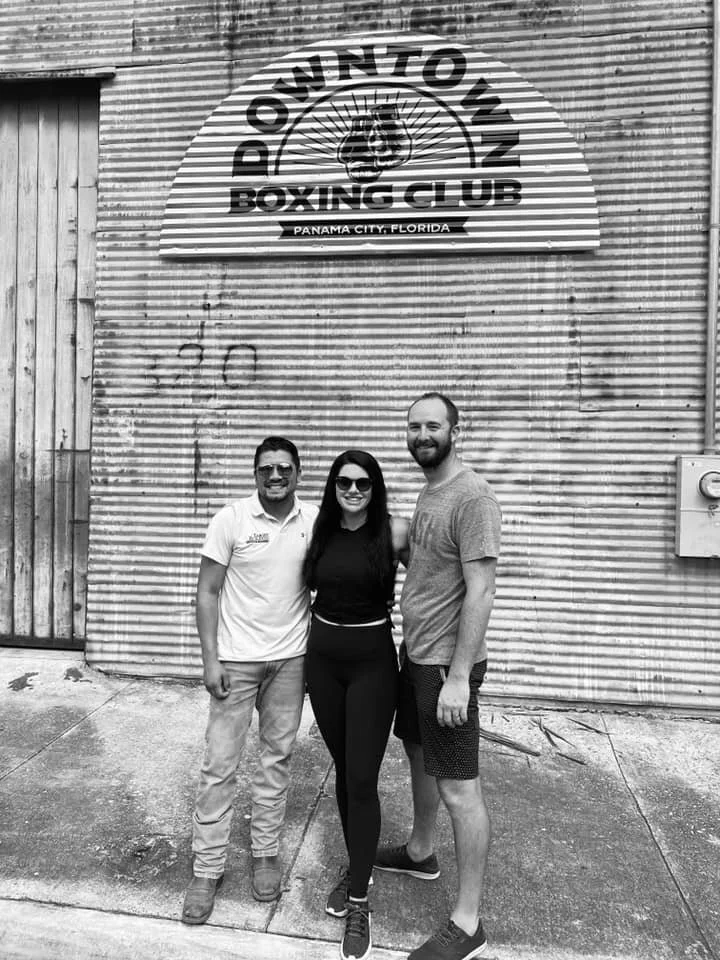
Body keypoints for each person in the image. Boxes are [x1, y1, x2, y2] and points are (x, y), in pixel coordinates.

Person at [374, 393, 501, 960]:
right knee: (418, 756)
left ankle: (468, 922)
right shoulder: (431, 491)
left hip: (446, 666)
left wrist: (457, 677)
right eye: (414, 426)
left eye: (433, 425)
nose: (422, 434)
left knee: (458, 785)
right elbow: (429, 568)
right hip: (416, 655)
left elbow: (481, 588)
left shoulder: (472, 496)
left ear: (456, 429)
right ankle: (421, 851)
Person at [181, 437, 318, 925]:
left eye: (284, 468)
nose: (275, 476)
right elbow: (208, 590)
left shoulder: (313, 520)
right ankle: (207, 868)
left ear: (298, 473)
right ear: (255, 473)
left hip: (291, 662)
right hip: (237, 663)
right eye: (266, 469)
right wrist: (209, 659)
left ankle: (265, 853)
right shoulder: (231, 519)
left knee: (275, 761)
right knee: (220, 765)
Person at [303, 450, 408, 960]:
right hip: (322, 661)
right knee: (345, 771)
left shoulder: (394, 532)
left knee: (362, 779)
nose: (353, 491)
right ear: (333, 486)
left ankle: (360, 898)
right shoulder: (318, 530)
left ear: (375, 487)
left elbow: (436, 585)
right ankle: (357, 862)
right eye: (344, 483)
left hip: (372, 663)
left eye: (363, 484)